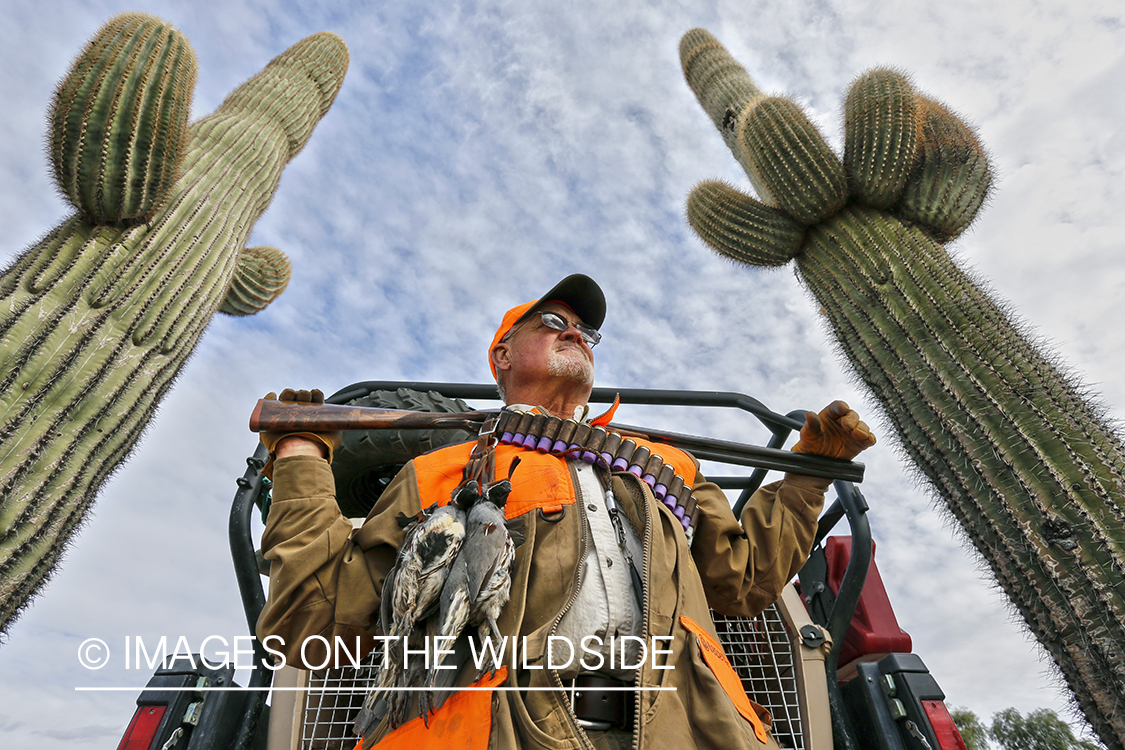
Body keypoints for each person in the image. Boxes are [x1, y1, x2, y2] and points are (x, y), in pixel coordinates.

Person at [256, 274, 875, 750]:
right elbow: (316, 614)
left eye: (586, 330)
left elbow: (744, 581)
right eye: (553, 321)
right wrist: (301, 456)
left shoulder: (668, 465)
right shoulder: (439, 473)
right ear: (500, 354)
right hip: (502, 733)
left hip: (685, 730)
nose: (575, 331)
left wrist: (806, 473)